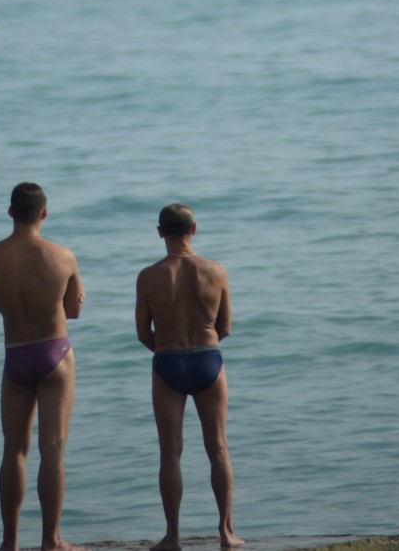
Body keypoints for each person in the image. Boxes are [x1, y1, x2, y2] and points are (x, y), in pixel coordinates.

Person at [0, 182, 87, 551]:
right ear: (44, 213)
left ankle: (9, 543)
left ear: (11, 212)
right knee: (53, 448)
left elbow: (2, 305)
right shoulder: (63, 256)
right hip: (53, 353)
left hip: (15, 356)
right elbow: (72, 311)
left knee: (14, 450)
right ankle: (51, 541)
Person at [135, 204, 243, 551]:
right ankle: (226, 533)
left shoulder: (148, 276)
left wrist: (167, 350)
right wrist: (203, 346)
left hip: (168, 363)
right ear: (193, 229)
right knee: (219, 448)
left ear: (159, 232)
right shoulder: (216, 271)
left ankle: (173, 537)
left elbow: (142, 332)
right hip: (208, 361)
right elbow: (225, 326)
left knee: (170, 452)